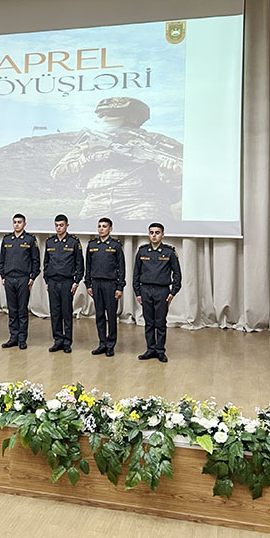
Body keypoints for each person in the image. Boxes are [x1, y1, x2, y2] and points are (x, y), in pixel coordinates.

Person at [51, 97, 182, 220]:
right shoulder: (93, 141)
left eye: (111, 115)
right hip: (96, 202)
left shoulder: (157, 142)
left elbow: (181, 176)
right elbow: (57, 173)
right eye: (103, 115)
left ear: (131, 117)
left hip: (143, 203)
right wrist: (89, 159)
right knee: (90, 236)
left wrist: (170, 174)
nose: (105, 119)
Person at [132, 222, 181, 363]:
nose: (154, 235)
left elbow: (177, 274)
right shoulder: (142, 251)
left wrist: (173, 292)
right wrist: (138, 292)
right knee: (149, 322)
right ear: (148, 234)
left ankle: (160, 350)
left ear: (162, 235)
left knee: (160, 322)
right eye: (151, 232)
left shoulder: (169, 252)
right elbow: (136, 273)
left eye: (157, 233)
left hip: (162, 291)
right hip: (145, 290)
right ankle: (150, 349)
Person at [0, 214, 40, 350]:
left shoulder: (30, 240)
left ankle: (22, 339)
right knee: (12, 310)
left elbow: (35, 260)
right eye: (15, 222)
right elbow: (1, 260)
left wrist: (32, 277)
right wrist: (3, 276)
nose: (17, 224)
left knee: (22, 310)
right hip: (9, 278)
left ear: (24, 224)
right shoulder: (7, 239)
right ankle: (13, 337)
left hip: (23, 279)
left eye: (19, 222)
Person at [43, 214, 84, 353]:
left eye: (61, 225)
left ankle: (67, 342)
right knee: (55, 313)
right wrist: (47, 280)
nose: (58, 228)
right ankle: (57, 340)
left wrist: (76, 282)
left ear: (67, 226)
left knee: (66, 313)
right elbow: (46, 262)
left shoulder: (73, 242)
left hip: (67, 282)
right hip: (53, 282)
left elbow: (79, 264)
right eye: (56, 225)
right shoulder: (50, 242)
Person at [84, 217, 125, 357]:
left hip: (111, 284)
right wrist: (88, 284)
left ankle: (111, 345)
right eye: (99, 226)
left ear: (110, 229)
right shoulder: (92, 245)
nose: (101, 229)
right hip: (96, 284)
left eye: (104, 226)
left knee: (111, 315)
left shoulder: (115, 245)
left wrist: (120, 287)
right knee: (99, 315)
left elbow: (121, 268)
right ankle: (102, 343)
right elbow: (88, 266)